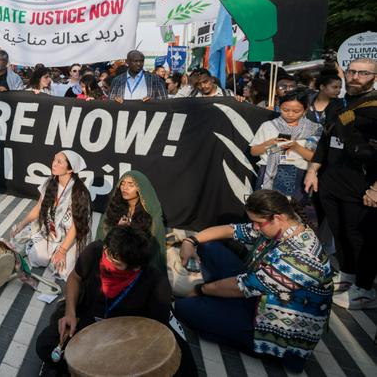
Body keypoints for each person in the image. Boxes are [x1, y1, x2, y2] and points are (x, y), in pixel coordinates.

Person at [175, 190, 332, 372]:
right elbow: (230, 230)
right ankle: (219, 306)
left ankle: (256, 345)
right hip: (258, 296)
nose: (255, 227)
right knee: (208, 246)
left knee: (184, 308)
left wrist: (200, 289)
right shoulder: (285, 225)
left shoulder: (302, 259)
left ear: (278, 218)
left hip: (270, 326)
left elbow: (242, 286)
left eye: (258, 223)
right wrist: (190, 241)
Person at [35, 225, 196, 376]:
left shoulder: (157, 284)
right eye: (106, 254)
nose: (106, 262)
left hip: (127, 338)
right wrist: (70, 312)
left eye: (115, 262)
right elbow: (75, 278)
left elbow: (155, 333)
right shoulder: (95, 251)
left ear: (135, 267)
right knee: (45, 344)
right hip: (88, 324)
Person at [304, 57, 377, 309]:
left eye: (363, 73)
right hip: (331, 183)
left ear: (374, 77)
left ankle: (365, 290)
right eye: (352, 71)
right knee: (340, 233)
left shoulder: (374, 107)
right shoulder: (337, 104)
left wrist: (376, 188)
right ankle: (348, 276)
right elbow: (325, 141)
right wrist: (313, 169)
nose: (356, 76)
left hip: (362, 187)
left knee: (361, 238)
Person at [11, 151, 91, 279]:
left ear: (70, 169)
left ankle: (58, 252)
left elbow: (76, 226)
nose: (54, 164)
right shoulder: (50, 182)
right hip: (52, 233)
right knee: (35, 257)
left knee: (62, 270)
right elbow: (38, 207)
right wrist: (22, 224)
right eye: (54, 160)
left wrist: (62, 251)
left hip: (71, 238)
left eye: (59, 162)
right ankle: (39, 244)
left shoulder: (79, 192)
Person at [250, 93, 321, 200]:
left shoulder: (314, 129)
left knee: (292, 208)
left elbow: (315, 158)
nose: (290, 114)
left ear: (305, 110)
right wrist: (269, 143)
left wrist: (296, 147)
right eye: (285, 110)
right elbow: (254, 151)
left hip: (298, 174)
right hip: (269, 172)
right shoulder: (268, 126)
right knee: (266, 206)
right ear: (279, 107)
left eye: (296, 111)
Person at [95, 171, 166, 272]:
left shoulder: (151, 216)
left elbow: (152, 249)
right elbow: (102, 238)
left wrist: (128, 232)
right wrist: (118, 230)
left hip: (140, 269)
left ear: (140, 189)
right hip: (112, 266)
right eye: (122, 184)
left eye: (131, 185)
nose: (125, 188)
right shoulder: (113, 209)